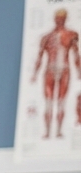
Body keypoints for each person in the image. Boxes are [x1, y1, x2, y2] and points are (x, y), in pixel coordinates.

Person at [31, 8, 80, 139]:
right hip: (50, 70)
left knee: (61, 102)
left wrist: (79, 71)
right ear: (54, 19)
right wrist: (34, 74)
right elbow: (40, 56)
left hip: (64, 69)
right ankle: (47, 132)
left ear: (65, 19)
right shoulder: (46, 38)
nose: (60, 20)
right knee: (48, 102)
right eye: (58, 18)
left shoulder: (72, 35)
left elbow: (76, 55)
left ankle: (58, 131)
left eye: (62, 18)